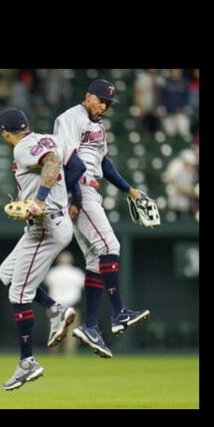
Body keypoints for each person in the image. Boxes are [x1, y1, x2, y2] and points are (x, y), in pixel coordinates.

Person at [53, 79, 152, 359]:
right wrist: (75, 197)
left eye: (108, 103)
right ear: (88, 97)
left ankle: (90, 326)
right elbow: (67, 161)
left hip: (89, 188)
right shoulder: (69, 118)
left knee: (97, 259)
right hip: (78, 188)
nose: (105, 107)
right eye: (101, 101)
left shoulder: (98, 125)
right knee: (110, 246)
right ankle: (119, 313)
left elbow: (104, 163)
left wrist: (129, 190)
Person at [0, 109, 75, 391]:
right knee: (6, 273)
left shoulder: (22, 147)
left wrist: (39, 200)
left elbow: (52, 161)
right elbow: (73, 166)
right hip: (54, 221)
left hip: (44, 225)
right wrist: (72, 199)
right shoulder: (47, 138)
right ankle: (55, 309)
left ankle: (27, 362)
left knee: (18, 294)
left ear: (6, 132)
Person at [44, 252, 86, 355]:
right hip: (71, 306)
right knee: (71, 332)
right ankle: (69, 356)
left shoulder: (53, 272)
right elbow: (83, 285)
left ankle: (54, 356)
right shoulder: (76, 273)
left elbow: (47, 284)